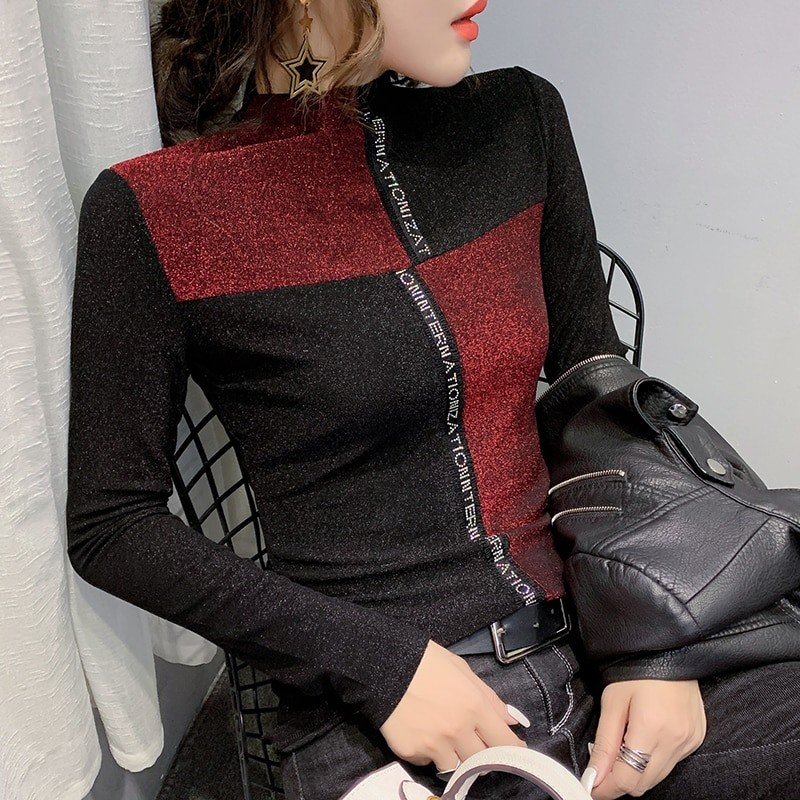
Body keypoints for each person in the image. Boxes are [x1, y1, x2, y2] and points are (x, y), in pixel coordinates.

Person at [65, 1, 800, 798]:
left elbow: (596, 385)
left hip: (602, 641)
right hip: (386, 712)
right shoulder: (158, 211)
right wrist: (382, 667)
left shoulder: (518, 119)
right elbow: (112, 525)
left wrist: (657, 644)